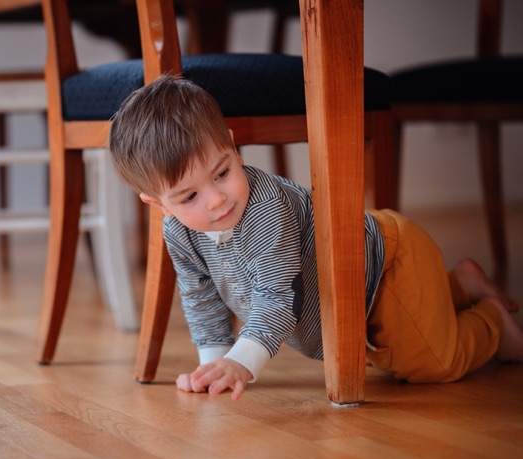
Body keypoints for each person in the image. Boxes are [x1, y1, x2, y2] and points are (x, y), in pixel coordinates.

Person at [108, 74, 523, 399]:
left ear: (233, 146)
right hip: (358, 290)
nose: (217, 200)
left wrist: (243, 362)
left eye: (222, 173)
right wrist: (214, 367)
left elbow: (278, 295)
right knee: (408, 338)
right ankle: (457, 285)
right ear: (158, 204)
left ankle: (491, 321)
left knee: (433, 363)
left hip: (384, 268)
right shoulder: (177, 230)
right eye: (190, 196)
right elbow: (201, 297)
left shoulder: (266, 209)